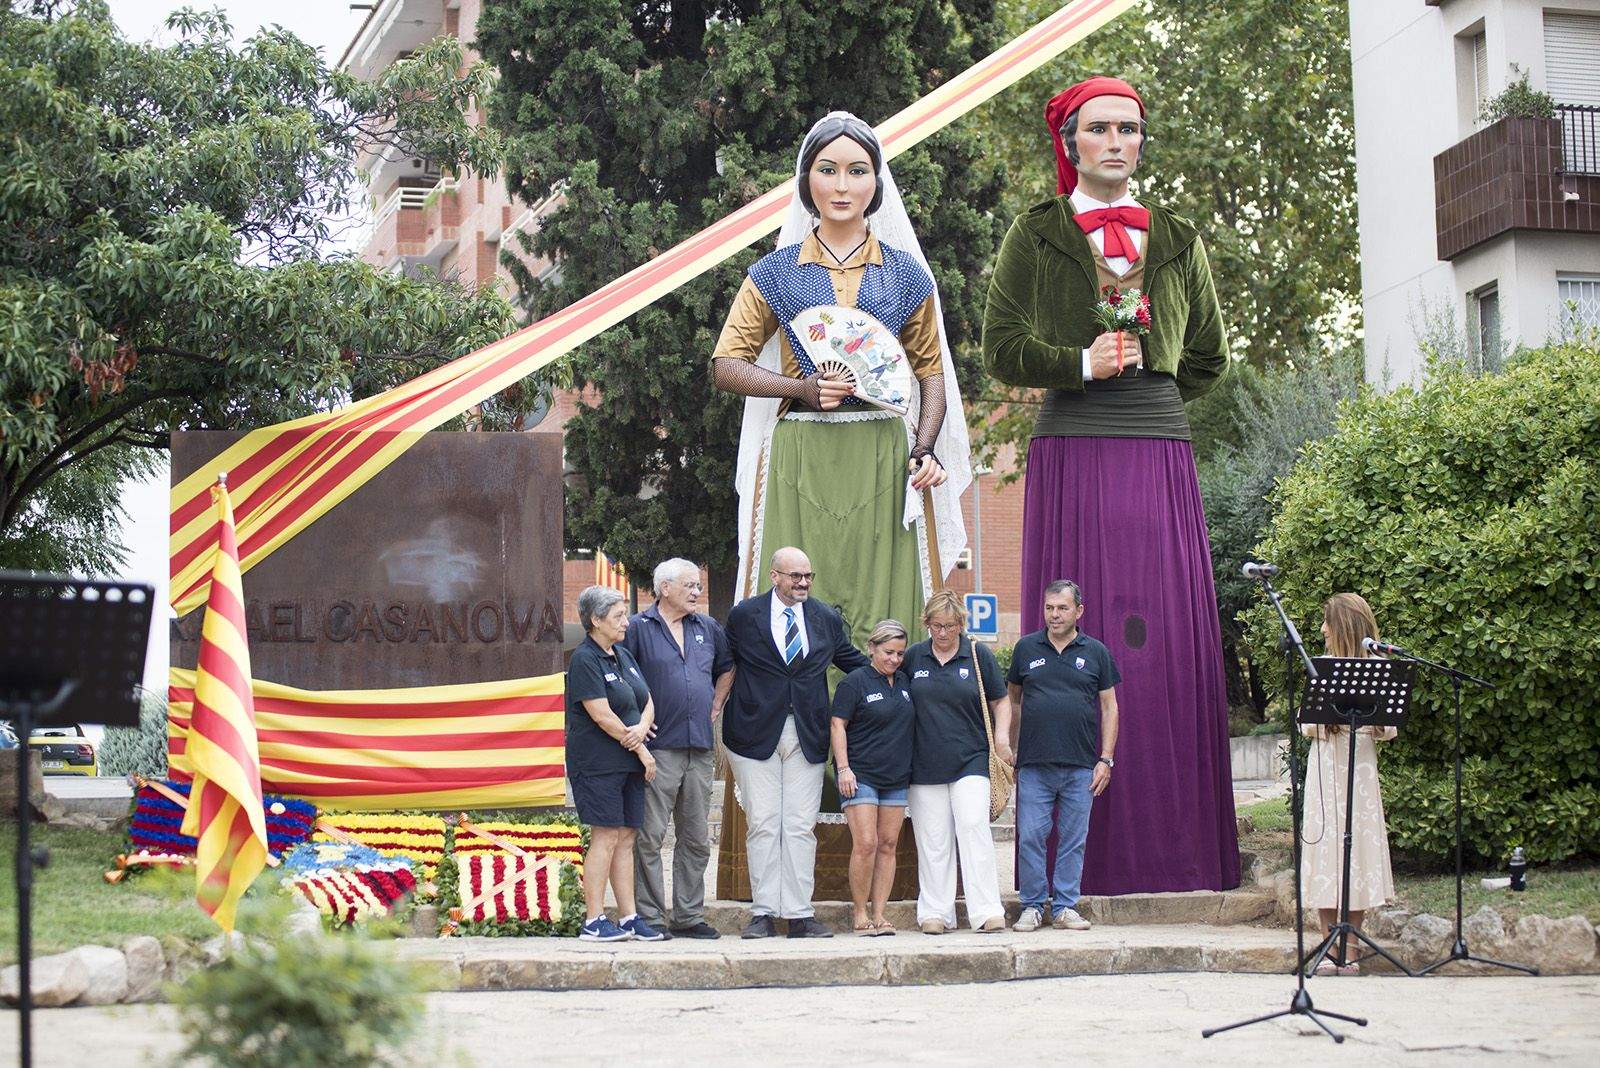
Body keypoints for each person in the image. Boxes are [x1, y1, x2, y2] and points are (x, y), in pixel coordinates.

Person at [982, 76, 1237, 896]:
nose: (1118, 141)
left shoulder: (1180, 239)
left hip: (1157, 445)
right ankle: (1067, 874)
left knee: (1161, 640)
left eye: (1130, 128)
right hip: (1072, 443)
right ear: (1071, 144)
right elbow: (1000, 348)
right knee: (1075, 638)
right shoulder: (1035, 233)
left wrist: (1149, 386)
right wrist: (1080, 365)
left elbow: (1210, 357)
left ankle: (1177, 852)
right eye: (1100, 129)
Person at [713, 110, 974, 653]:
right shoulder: (775, 272)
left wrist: (925, 447)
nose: (841, 185)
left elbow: (930, 371)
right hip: (802, 452)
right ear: (806, 179)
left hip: (884, 453)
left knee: (886, 606)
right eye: (827, 170)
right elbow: (726, 365)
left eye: (857, 171)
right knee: (794, 604)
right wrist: (801, 388)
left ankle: (883, 702)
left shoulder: (906, 273)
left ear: (876, 183)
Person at [722, 546, 870, 938]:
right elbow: (722, 664)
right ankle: (764, 913)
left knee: (801, 826)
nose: (803, 583)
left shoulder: (824, 617)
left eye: (808, 576)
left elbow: (851, 661)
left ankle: (801, 914)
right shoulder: (744, 616)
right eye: (795, 576)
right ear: (775, 576)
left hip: (808, 733)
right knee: (764, 824)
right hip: (753, 733)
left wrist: (892, 673)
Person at [622, 558, 735, 940]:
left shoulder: (708, 627)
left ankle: (688, 916)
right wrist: (637, 720)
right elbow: (620, 677)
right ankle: (651, 918)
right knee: (650, 836)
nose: (697, 592)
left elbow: (727, 667)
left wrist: (716, 703)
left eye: (698, 586)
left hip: (699, 747)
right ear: (665, 588)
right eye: (690, 585)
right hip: (657, 749)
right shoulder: (638, 628)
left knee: (696, 838)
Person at [1003, 580, 1120, 932]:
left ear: (1078, 611)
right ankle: (1032, 906)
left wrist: (1106, 759)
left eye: (1062, 608)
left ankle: (1066, 907)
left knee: (1073, 840)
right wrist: (1010, 748)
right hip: (1034, 764)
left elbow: (1110, 707)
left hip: (1081, 765)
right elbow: (1012, 701)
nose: (1054, 615)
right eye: (1049, 608)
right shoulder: (1026, 648)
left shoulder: (1096, 652)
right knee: (1031, 837)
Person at [904, 590, 1009, 935]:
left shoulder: (977, 655)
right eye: (936, 626)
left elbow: (1001, 701)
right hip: (924, 762)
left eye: (950, 626)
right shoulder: (914, 657)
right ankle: (936, 912)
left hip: (971, 759)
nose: (943, 633)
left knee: (973, 828)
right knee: (933, 840)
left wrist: (1002, 739)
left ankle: (987, 911)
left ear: (961, 624)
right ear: (927, 623)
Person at [1303, 592, 1398, 976]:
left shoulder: (1378, 666)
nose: (1322, 629)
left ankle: (1352, 948)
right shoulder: (1321, 668)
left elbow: (1388, 728)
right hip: (1326, 767)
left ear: (1343, 626)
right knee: (1326, 849)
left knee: (1357, 850)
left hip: (1360, 770)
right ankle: (1329, 947)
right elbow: (1307, 724)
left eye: (1327, 622)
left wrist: (1373, 720)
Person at [565, 585, 663, 943]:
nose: (626, 621)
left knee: (626, 837)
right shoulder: (584, 659)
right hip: (598, 763)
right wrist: (642, 749)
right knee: (605, 835)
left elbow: (647, 700)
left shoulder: (622, 654)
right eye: (619, 615)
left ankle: (629, 917)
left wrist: (641, 728)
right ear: (596, 619)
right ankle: (593, 919)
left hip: (628, 763)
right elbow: (601, 715)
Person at [830, 619, 914, 935]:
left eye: (900, 654)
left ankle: (880, 914)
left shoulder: (905, 682)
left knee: (888, 845)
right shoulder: (854, 682)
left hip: (896, 776)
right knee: (866, 843)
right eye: (888, 652)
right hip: (860, 774)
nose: (894, 659)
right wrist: (843, 768)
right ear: (872, 648)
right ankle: (860, 914)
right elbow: (837, 725)